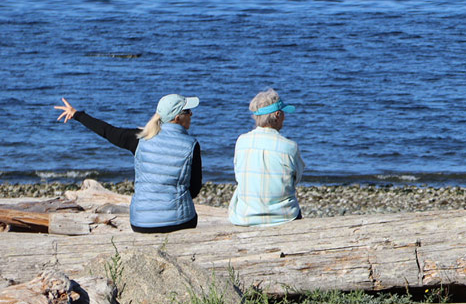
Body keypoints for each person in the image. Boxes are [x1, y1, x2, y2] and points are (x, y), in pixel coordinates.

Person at [54, 94, 203, 233]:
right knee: (189, 215)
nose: (191, 115)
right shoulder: (191, 145)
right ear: (177, 118)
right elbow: (195, 189)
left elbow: (107, 131)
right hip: (179, 222)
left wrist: (77, 114)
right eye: (188, 111)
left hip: (141, 223)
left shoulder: (139, 138)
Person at [228, 89, 304, 226]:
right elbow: (296, 178)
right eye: (283, 113)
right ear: (277, 114)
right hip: (283, 216)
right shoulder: (289, 147)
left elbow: (238, 174)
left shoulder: (241, 142)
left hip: (245, 215)